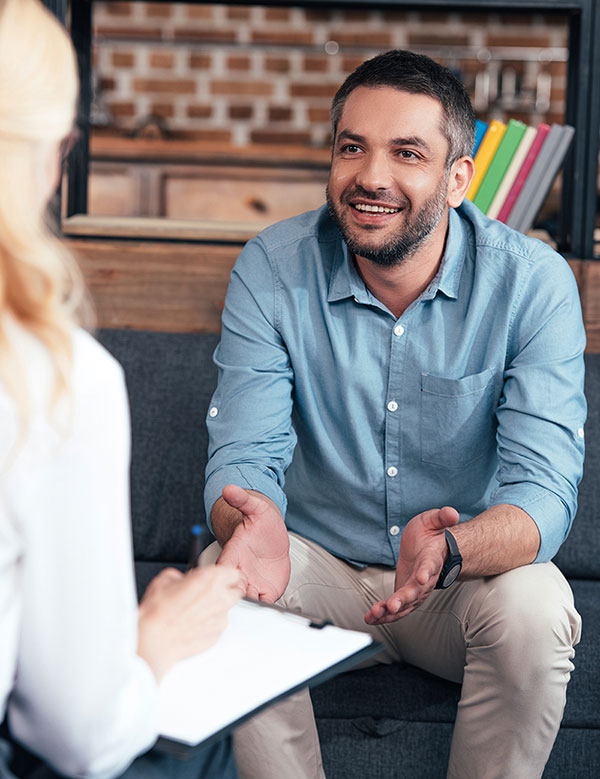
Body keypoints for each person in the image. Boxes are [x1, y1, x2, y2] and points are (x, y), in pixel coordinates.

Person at [202, 49, 586, 779]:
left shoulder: (532, 284)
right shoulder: (272, 267)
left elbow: (544, 494)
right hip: (313, 571)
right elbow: (244, 457)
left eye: (406, 153)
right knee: (218, 585)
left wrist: (454, 550)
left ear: (458, 179)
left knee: (538, 605)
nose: (371, 176)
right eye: (353, 147)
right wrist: (246, 523)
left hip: (454, 582)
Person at [0, 1, 242, 777]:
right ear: (53, 158)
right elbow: (80, 733)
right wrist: (154, 640)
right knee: (203, 748)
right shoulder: (53, 377)